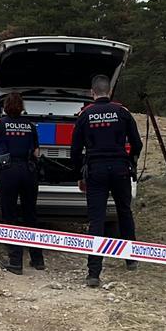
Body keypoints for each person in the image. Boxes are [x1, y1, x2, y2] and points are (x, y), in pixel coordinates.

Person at [70, 74, 142, 287]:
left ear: (93, 93)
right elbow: (136, 144)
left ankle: (94, 273)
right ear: (109, 91)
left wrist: (78, 174)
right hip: (120, 169)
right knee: (124, 212)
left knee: (97, 219)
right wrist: (129, 161)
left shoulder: (85, 114)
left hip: (96, 170)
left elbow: (75, 150)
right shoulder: (122, 112)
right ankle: (131, 260)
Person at [0, 92, 45, 274]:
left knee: (10, 216)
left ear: (4, 107)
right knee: (30, 214)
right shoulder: (30, 126)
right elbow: (36, 153)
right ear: (22, 107)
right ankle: (37, 259)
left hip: (8, 172)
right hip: (28, 172)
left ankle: (15, 261)